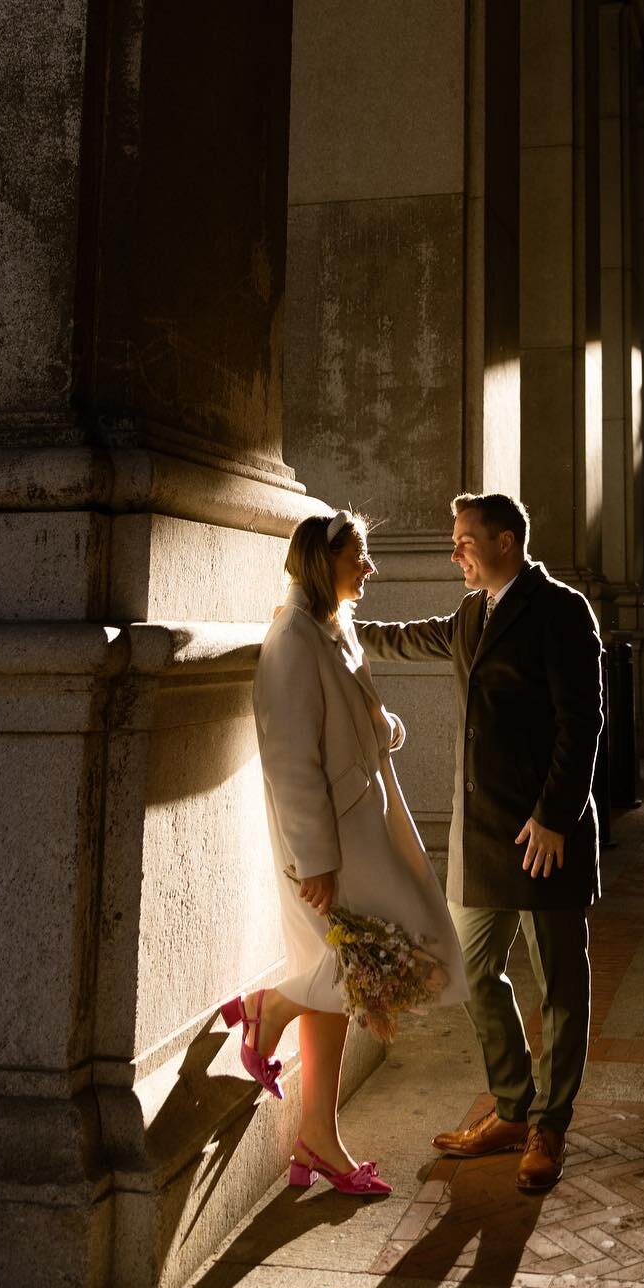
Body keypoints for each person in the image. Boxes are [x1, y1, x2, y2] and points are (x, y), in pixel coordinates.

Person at [356, 491, 603, 1194]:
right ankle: (512, 1107)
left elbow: (582, 719)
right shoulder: (470, 614)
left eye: (465, 539)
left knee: (559, 985)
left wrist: (556, 814)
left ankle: (549, 1124)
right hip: (485, 835)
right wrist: (336, 624)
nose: (455, 551)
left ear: (506, 540)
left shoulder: (560, 610)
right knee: (468, 969)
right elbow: (410, 636)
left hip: (543, 835)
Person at [222, 510, 467, 1196]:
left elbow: (346, 721)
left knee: (345, 976)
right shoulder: (292, 638)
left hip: (359, 829)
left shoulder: (333, 627)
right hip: (329, 843)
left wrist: (381, 726)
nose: (371, 568)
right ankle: (269, 1016)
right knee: (350, 968)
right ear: (321, 560)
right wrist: (314, 859)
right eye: (360, 555)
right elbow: (289, 757)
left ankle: (313, 1133)